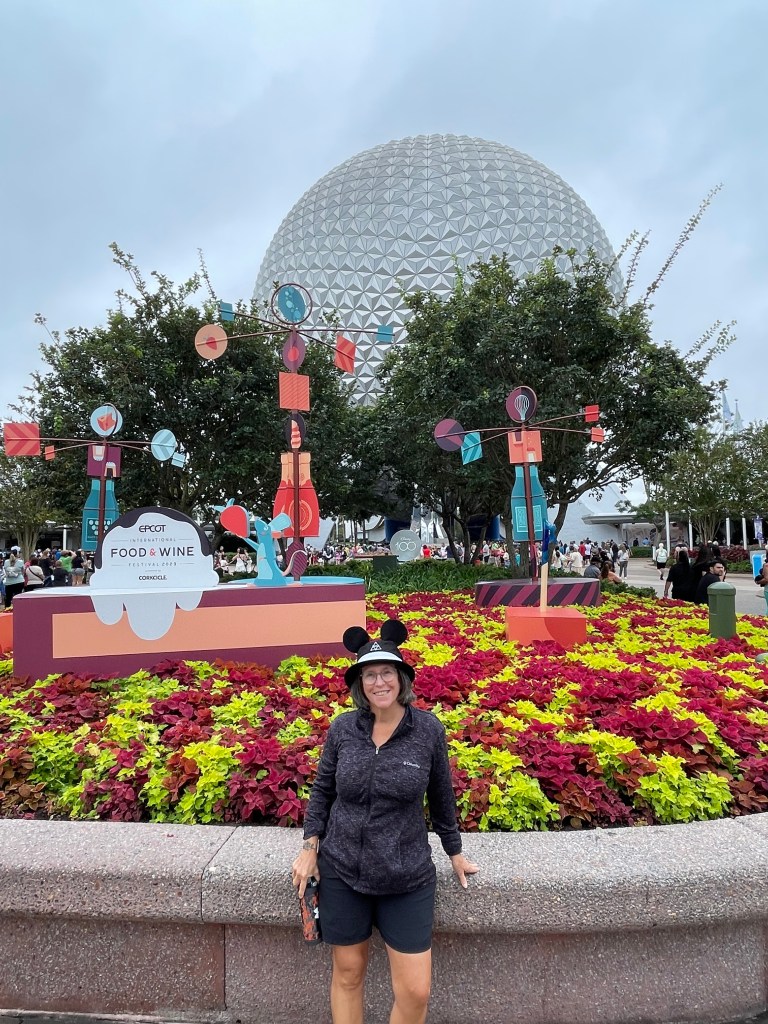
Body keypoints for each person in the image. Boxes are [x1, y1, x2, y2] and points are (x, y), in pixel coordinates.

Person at [292, 620, 478, 1024]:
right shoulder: (343, 729)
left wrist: (455, 852)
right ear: (360, 684)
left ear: (401, 678)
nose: (379, 682)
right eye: (370, 675)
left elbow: (441, 796)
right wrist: (310, 846)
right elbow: (323, 790)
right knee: (348, 973)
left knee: (415, 991)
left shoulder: (427, 730)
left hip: (405, 875)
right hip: (343, 869)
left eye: (387, 672)